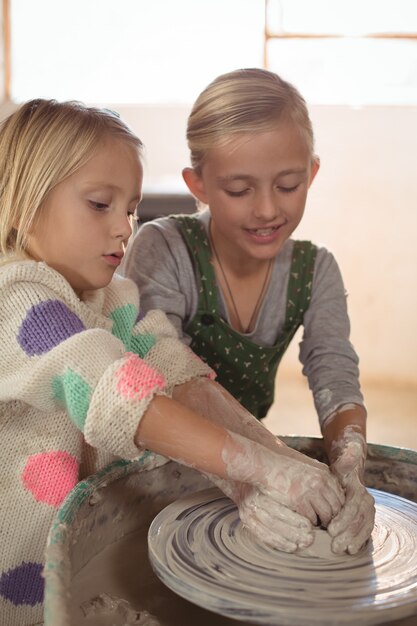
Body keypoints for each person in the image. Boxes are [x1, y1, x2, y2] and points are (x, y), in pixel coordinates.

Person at [0, 98, 348, 626]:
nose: (124, 227)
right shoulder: (16, 297)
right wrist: (257, 468)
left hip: (76, 539)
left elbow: (172, 368)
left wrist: (281, 466)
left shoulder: (111, 298)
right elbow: (108, 386)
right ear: (25, 204)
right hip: (17, 570)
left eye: (132, 208)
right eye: (100, 204)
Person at [123, 67, 375, 557]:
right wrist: (261, 471)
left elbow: (335, 376)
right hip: (152, 463)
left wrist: (351, 468)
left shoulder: (316, 270)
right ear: (198, 184)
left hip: (254, 469)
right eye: (239, 190)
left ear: (312, 173)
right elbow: (166, 374)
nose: (266, 210)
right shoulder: (163, 248)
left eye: (288, 185)